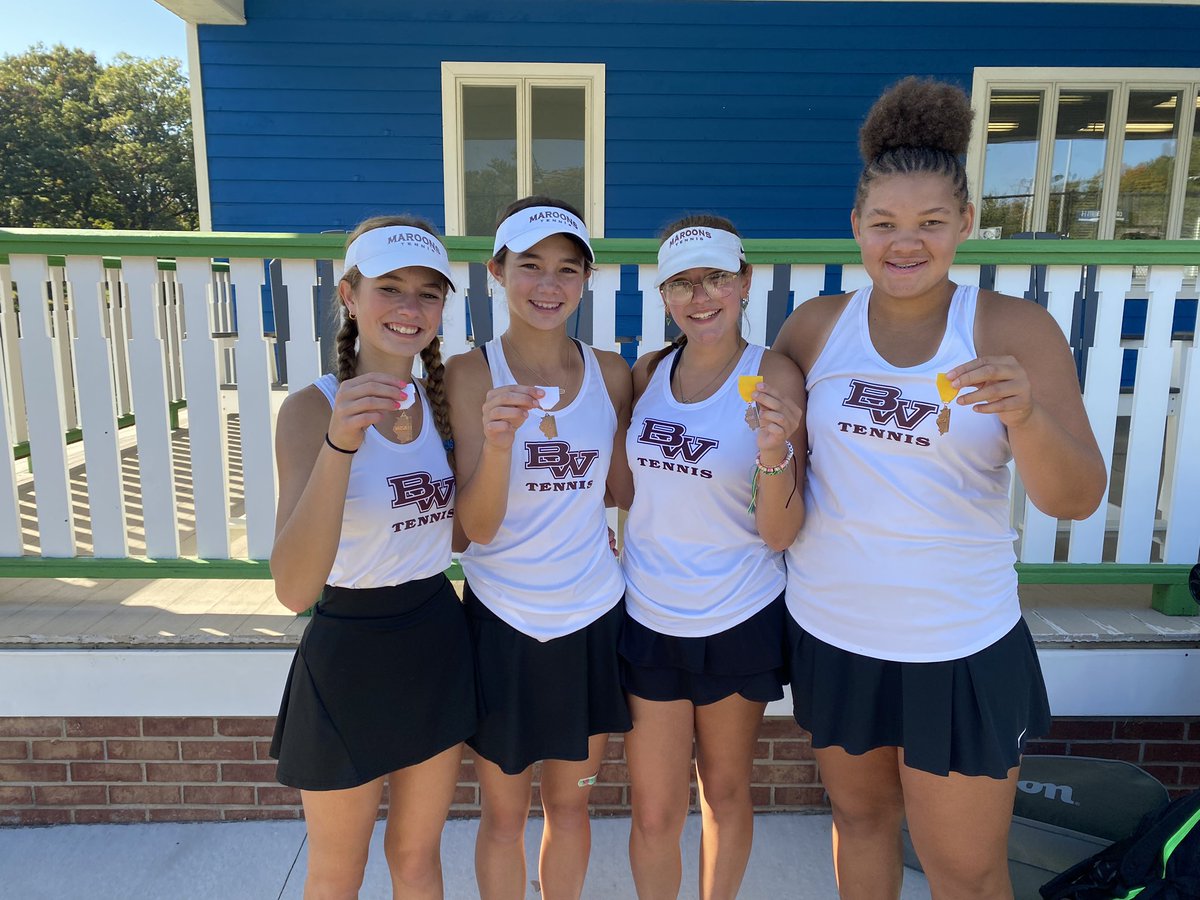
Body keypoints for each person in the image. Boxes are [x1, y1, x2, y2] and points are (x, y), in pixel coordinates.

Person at [772, 77, 1107, 900]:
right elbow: (775, 466)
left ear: (965, 224)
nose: (905, 243)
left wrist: (1026, 416)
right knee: (859, 828)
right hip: (833, 631)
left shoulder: (1012, 329)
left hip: (955, 644)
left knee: (964, 870)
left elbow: (1075, 499)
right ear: (856, 229)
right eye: (884, 224)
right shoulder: (816, 327)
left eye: (929, 223)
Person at [268, 216, 475, 899]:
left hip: (436, 635)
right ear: (350, 296)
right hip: (348, 653)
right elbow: (295, 588)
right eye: (390, 288)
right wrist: (340, 444)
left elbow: (461, 535)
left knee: (417, 856)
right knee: (337, 870)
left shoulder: (445, 406)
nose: (410, 309)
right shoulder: (309, 410)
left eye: (428, 292)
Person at [445, 196, 634, 900]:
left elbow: (621, 491)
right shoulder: (469, 374)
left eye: (566, 269)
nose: (548, 286)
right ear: (497, 272)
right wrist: (498, 444)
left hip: (591, 617)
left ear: (586, 281)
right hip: (502, 620)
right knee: (501, 817)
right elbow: (476, 528)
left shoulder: (613, 373)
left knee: (573, 806)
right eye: (530, 266)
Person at [619, 216, 806, 899]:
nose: (701, 296)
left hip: (739, 614)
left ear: (745, 281)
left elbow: (782, 532)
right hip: (648, 615)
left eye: (716, 278)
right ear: (665, 294)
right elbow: (626, 487)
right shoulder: (648, 372)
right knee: (656, 811)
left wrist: (775, 455)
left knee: (725, 793)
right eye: (683, 283)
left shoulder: (774, 373)